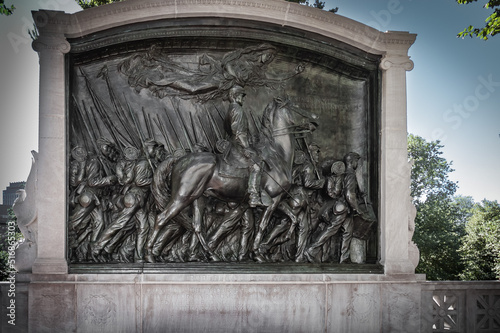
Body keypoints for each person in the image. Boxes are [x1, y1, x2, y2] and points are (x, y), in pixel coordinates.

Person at [223, 85, 263, 207]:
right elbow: (239, 133)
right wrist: (246, 147)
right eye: (241, 95)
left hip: (233, 143)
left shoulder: (231, 108)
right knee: (256, 166)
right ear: (235, 96)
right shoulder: (237, 110)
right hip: (238, 145)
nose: (243, 98)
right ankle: (254, 196)